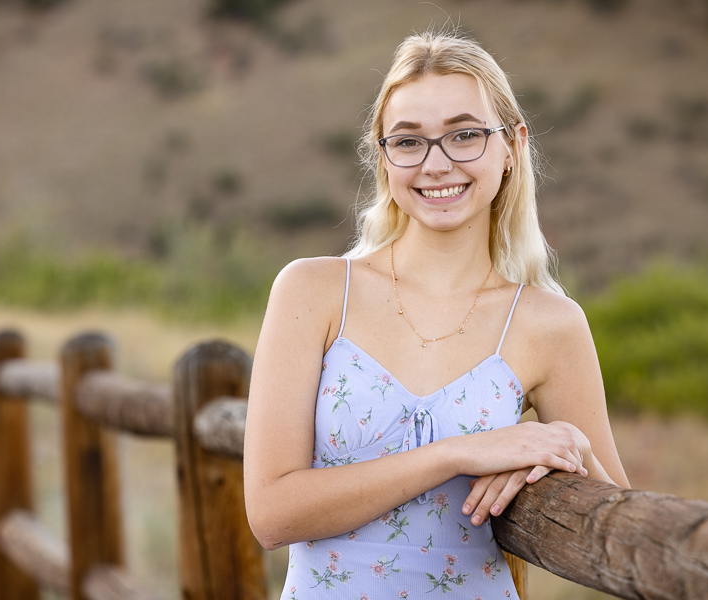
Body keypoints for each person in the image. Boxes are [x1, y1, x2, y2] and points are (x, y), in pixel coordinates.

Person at [243, 29, 630, 599]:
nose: (437, 164)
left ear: (511, 146)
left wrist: (570, 444)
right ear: (384, 157)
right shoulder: (314, 292)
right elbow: (272, 515)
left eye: (465, 134)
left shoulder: (550, 324)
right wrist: (457, 453)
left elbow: (622, 539)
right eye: (409, 141)